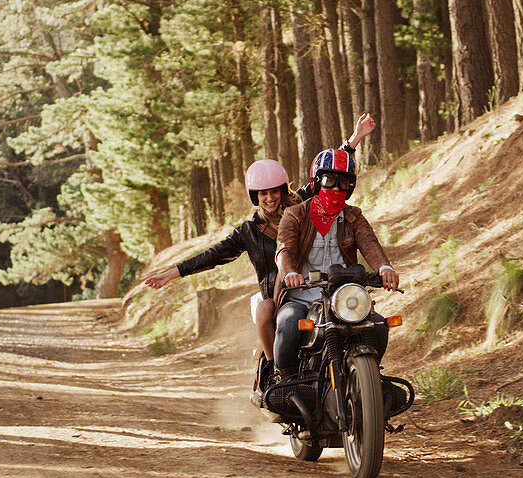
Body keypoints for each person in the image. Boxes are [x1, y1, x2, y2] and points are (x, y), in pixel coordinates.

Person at [143, 114, 377, 371]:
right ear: (255, 197)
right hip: (281, 295)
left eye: (274, 192)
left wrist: (355, 139)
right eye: (263, 194)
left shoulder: (301, 206)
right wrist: (172, 274)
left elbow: (329, 174)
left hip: (318, 285)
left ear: (283, 190)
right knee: (265, 311)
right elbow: (211, 255)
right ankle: (273, 368)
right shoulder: (248, 231)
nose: (270, 198)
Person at [272, 146, 400, 379]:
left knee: (379, 326)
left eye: (344, 183)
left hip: (344, 297)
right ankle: (285, 380)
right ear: (318, 180)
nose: (336, 188)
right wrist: (290, 272)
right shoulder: (295, 214)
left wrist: (385, 268)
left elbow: (370, 243)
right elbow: (284, 249)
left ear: (350, 187)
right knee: (288, 323)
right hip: (302, 294)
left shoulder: (354, 216)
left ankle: (369, 380)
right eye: (329, 180)